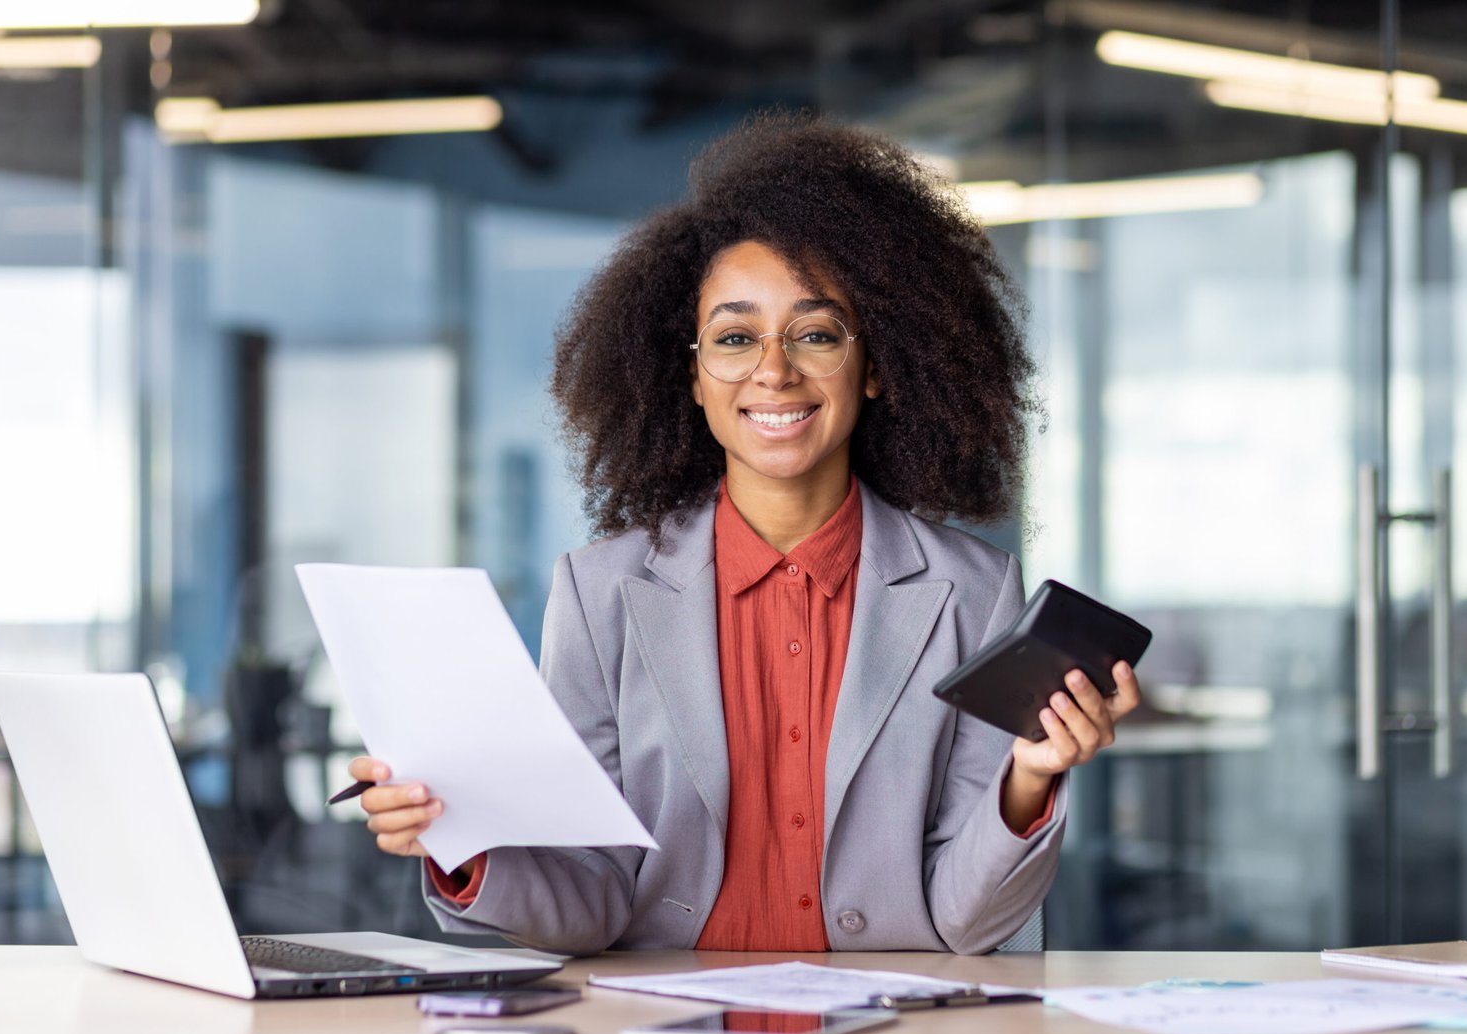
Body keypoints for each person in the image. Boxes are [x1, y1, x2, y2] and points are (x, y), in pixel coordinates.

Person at [345, 113, 1141, 956]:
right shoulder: (600, 591)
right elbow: (595, 896)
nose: (773, 369)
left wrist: (1032, 774)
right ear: (689, 374)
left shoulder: (974, 594)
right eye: (733, 338)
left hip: (890, 1028)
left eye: (817, 333)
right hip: (663, 1026)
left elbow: (963, 918)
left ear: (875, 367)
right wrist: (456, 840)